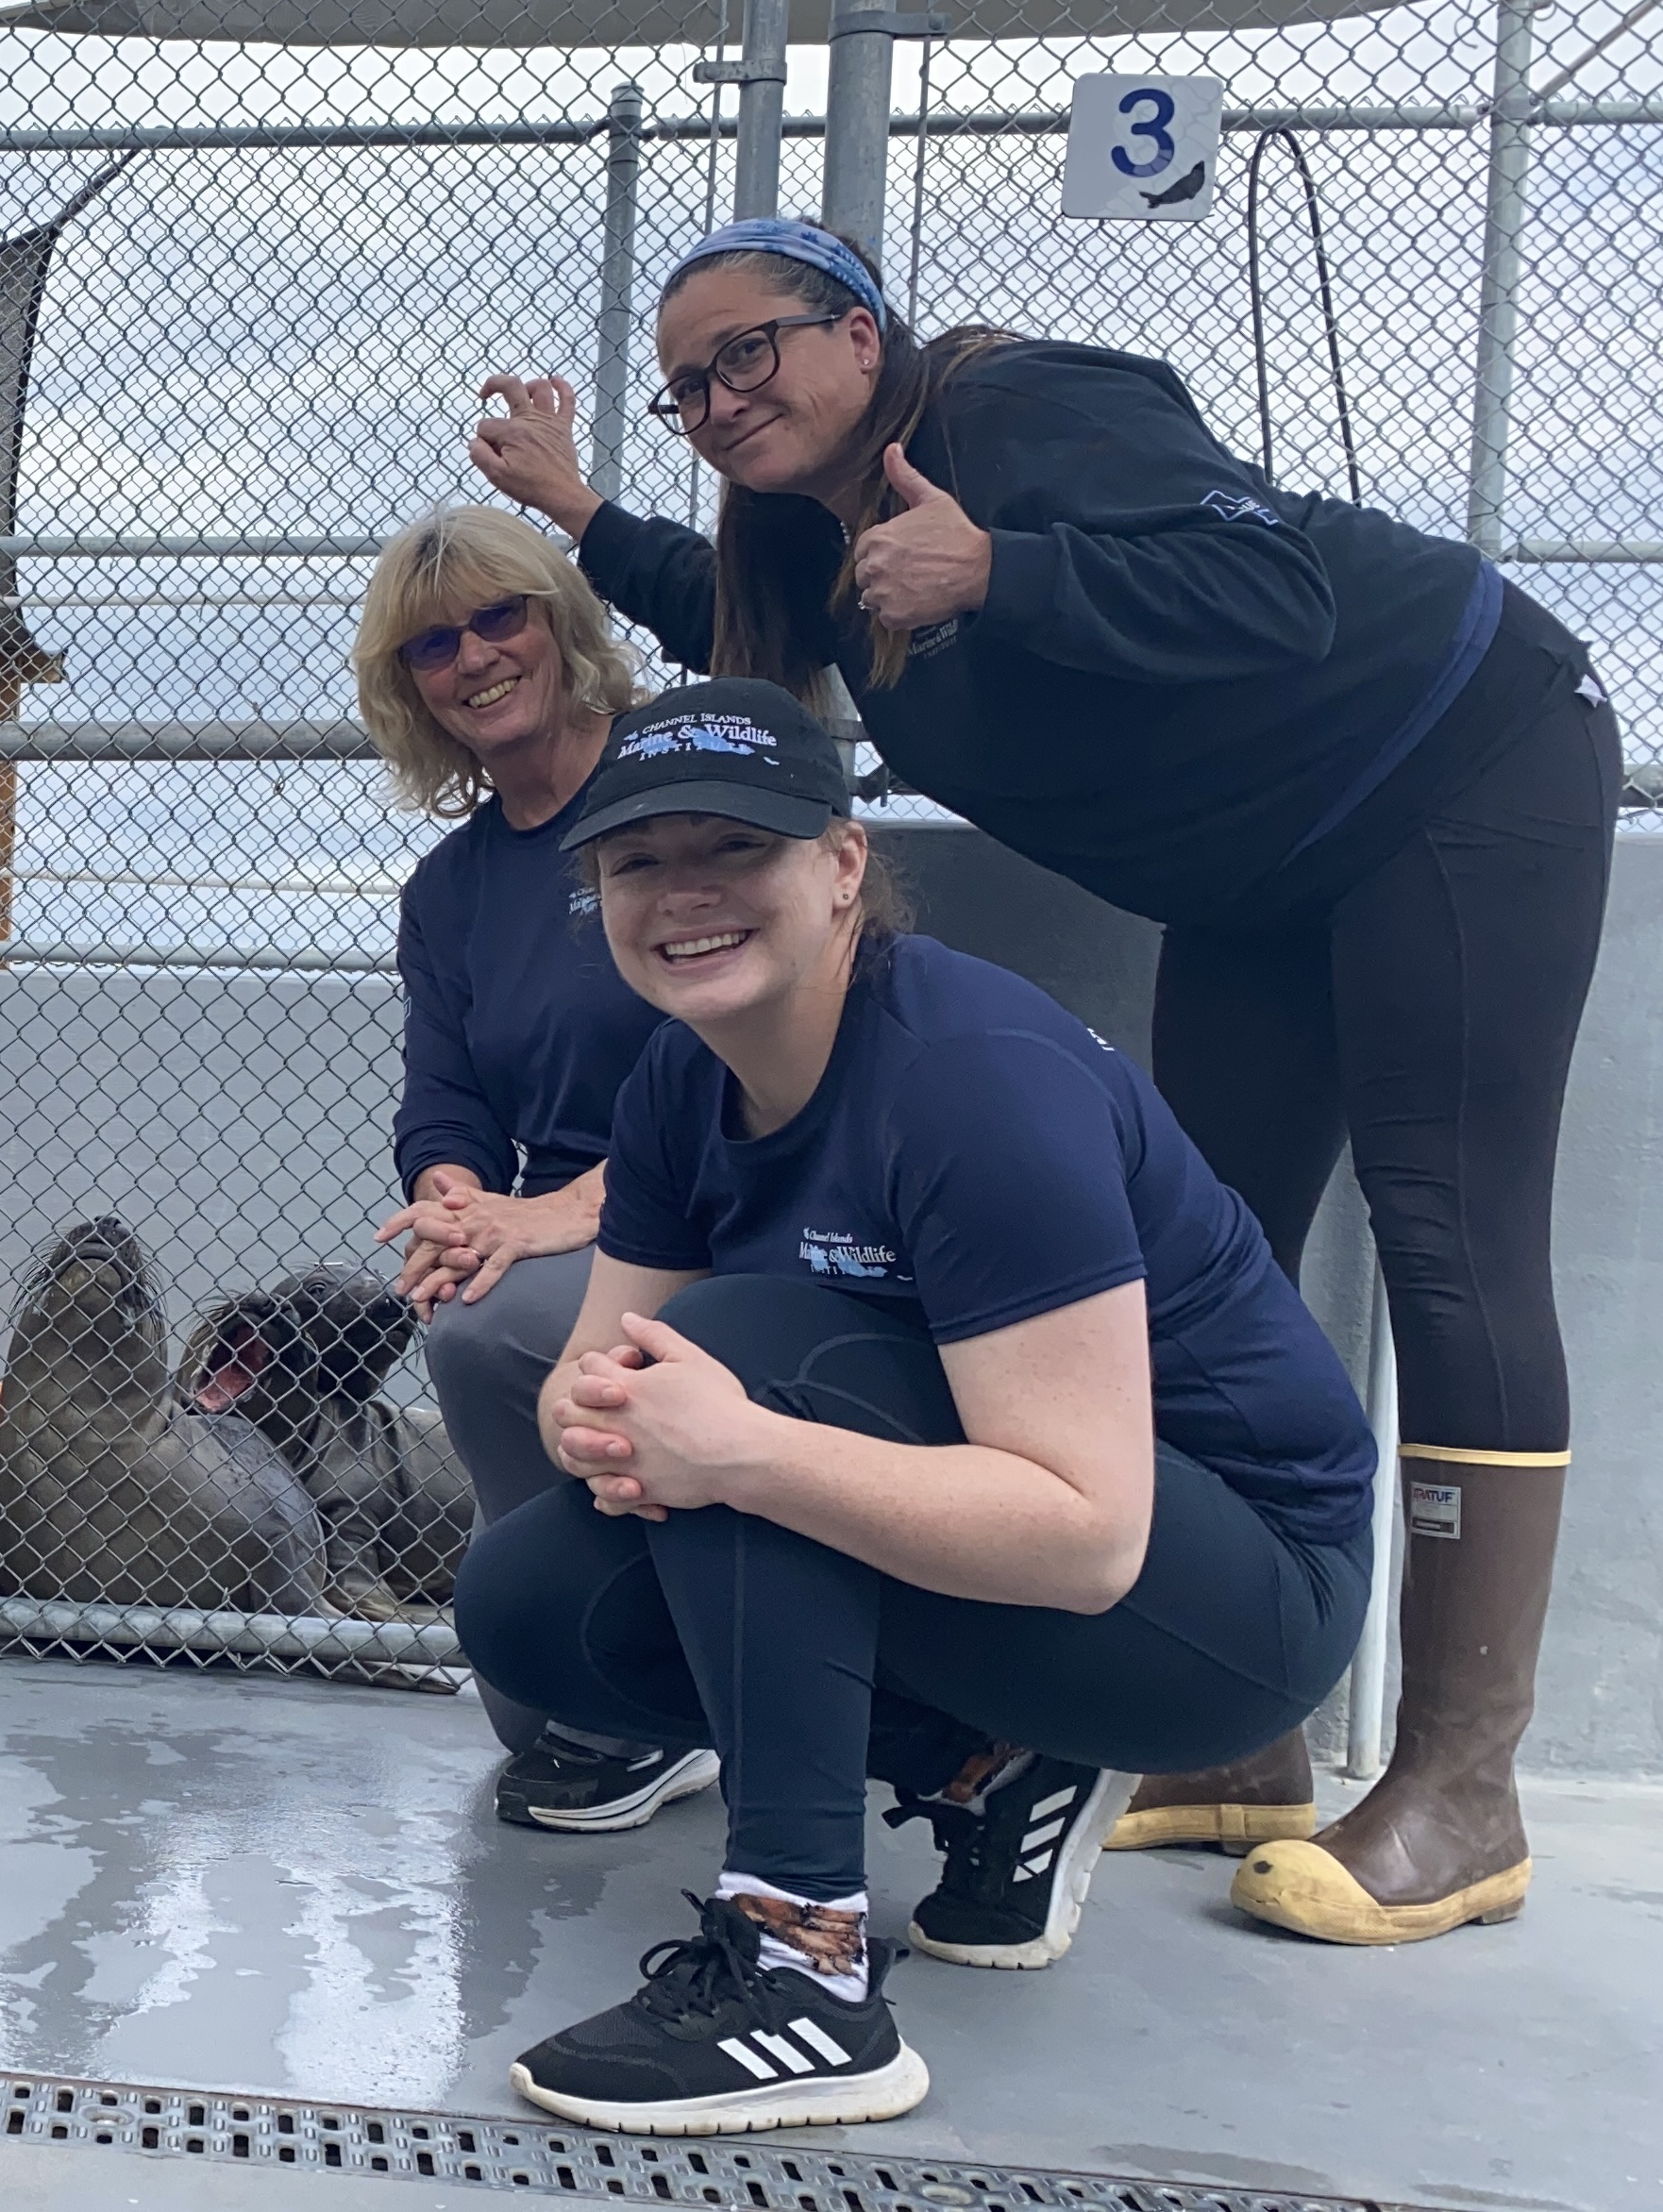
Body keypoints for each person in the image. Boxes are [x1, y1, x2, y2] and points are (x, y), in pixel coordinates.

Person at [470, 216, 1612, 1948]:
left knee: (1444, 1232)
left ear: (859, 333)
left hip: (1451, 755)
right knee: (1181, 1267)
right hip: (1252, 870)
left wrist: (1005, 569)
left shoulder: (1014, 412)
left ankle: (1463, 1781)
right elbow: (744, 619)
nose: (711, 400)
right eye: (682, 384)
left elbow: (1275, 587)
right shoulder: (810, 538)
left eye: (747, 353)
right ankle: (1230, 1735)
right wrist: (581, 517)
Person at [457, 680, 1372, 2135]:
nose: (682, 896)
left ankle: (804, 1968)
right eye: (637, 863)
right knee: (527, 1603)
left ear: (839, 867)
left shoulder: (969, 1082)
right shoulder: (677, 1084)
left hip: (1231, 1590)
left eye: (733, 850)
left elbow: (1087, 1539)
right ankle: (993, 1770)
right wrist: (597, 1419)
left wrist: (741, 1447)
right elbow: (606, 1356)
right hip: (1000, 1538)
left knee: (741, 1355)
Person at [354, 504, 710, 1837]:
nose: (475, 656)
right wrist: (454, 1201)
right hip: (563, 1216)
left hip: (738, 1196)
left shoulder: (673, 799)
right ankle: (586, 1650)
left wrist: (559, 1211)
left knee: (503, 1330)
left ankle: (649, 1691)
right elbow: (444, 1095)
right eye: (434, 643)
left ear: (562, 626)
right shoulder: (449, 890)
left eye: (501, 617)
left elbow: (743, 1063)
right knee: (471, 1296)